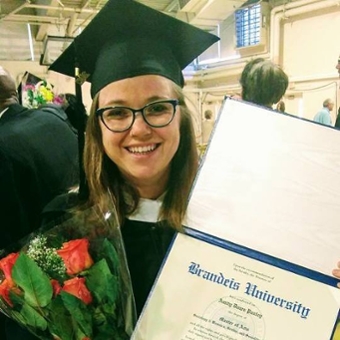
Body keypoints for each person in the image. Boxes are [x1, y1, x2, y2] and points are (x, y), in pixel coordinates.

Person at [0, 66, 79, 339]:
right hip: (81, 259)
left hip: (35, 295)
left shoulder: (2, 145)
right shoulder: (53, 118)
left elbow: (8, 230)